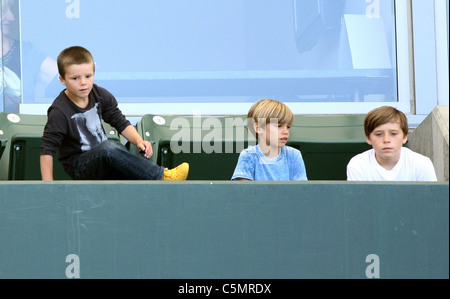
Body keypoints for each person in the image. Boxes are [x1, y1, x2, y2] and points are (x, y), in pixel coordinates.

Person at [40, 46, 189, 181]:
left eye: (88, 76)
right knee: (110, 147)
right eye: (75, 78)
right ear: (62, 80)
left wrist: (138, 141)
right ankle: (163, 176)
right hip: (81, 167)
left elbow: (120, 121)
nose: (83, 83)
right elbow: (47, 149)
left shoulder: (100, 94)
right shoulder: (59, 111)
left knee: (121, 152)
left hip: (105, 160)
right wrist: (48, 186)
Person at [346, 106, 437, 181]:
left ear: (404, 137)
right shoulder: (358, 164)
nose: (386, 140)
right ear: (368, 138)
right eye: (379, 134)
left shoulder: (421, 163)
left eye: (393, 134)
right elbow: (358, 201)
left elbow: (431, 199)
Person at [1, 0, 59, 113]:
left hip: (19, 127)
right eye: (3, 11)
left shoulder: (26, 52)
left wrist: (79, 71)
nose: (11, 17)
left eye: (11, 10)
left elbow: (63, 79)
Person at [231, 99, 308, 181]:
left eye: (288, 127)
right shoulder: (249, 155)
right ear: (258, 128)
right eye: (279, 126)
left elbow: (301, 190)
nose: (286, 131)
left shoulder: (294, 155)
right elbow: (245, 190)